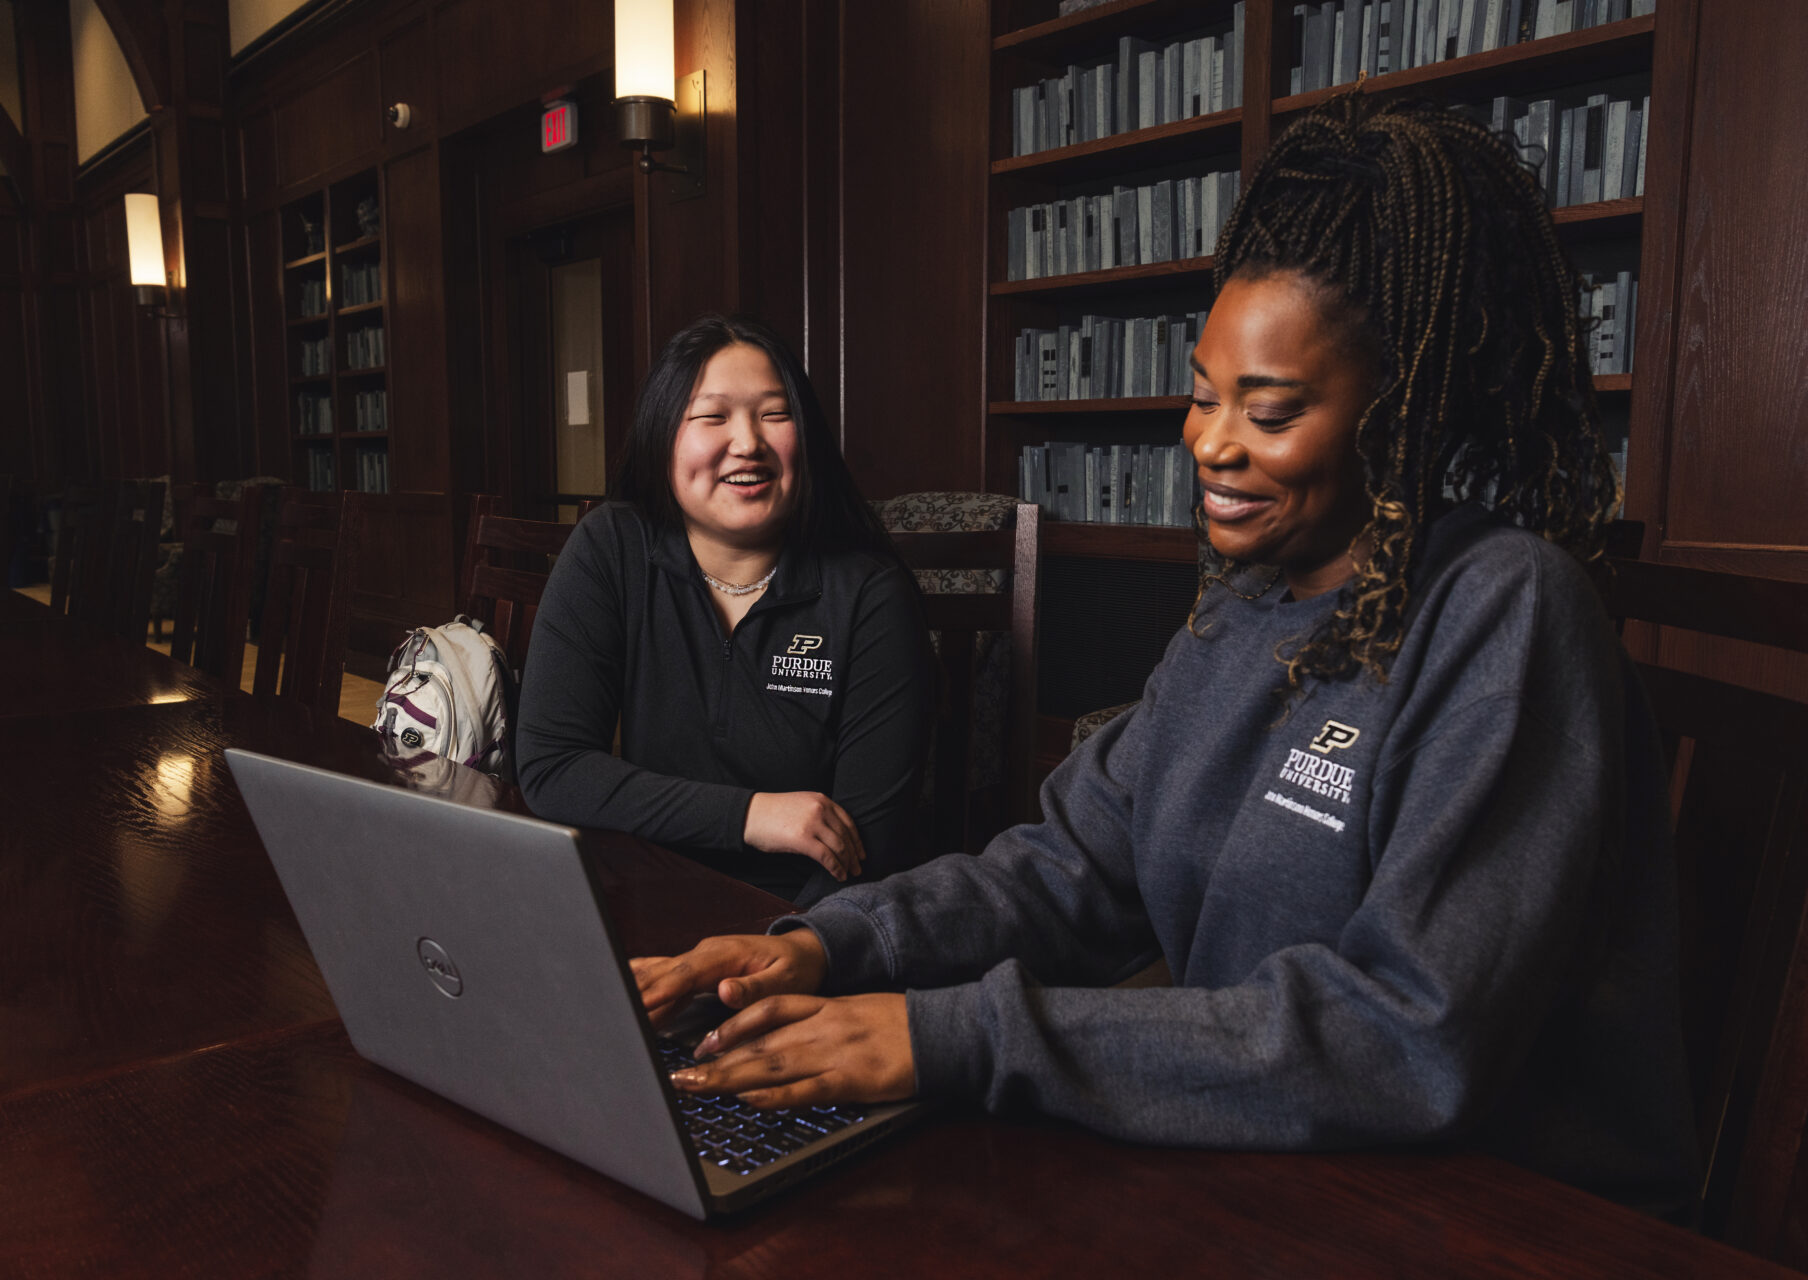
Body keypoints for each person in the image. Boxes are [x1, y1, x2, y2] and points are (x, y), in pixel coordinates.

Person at [629, 97, 1700, 1207]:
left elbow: (1402, 1033)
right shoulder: (1239, 608)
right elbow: (1071, 867)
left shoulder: (1510, 611)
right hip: (1269, 1167)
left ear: (1403, 411)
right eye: (1201, 396)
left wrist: (960, 1035)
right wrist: (830, 946)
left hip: (1493, 1218)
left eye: (1268, 410)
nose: (1210, 441)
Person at [517, 316, 933, 904]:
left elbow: (869, 847)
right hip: (641, 895)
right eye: (713, 416)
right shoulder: (611, 548)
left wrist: (784, 948)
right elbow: (552, 767)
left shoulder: (871, 595)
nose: (748, 443)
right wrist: (751, 816)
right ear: (664, 436)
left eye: (774, 414)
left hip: (802, 924)